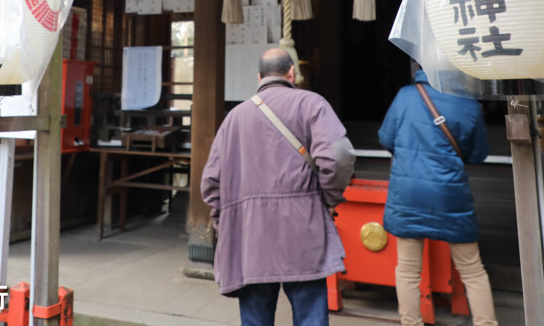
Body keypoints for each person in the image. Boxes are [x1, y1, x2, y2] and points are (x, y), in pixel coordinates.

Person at [201, 47, 356, 326]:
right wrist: (329, 198)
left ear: (258, 76)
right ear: (292, 73)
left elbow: (211, 182)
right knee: (310, 314)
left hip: (250, 235)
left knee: (255, 318)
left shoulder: (234, 118)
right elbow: (338, 156)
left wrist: (224, 223)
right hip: (303, 228)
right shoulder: (312, 104)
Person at [378, 67, 498, 326]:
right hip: (449, 194)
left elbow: (386, 138)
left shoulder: (405, 96)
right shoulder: (469, 105)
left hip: (408, 193)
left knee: (408, 269)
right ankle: (486, 323)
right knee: (472, 269)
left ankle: (411, 323)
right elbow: (477, 154)